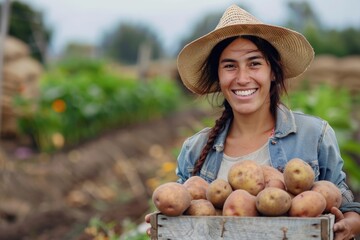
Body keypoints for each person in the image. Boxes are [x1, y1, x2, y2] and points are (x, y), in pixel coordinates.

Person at [145, 4, 360, 239]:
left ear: (273, 72)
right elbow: (184, 210)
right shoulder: (195, 149)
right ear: (219, 76)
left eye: (254, 63)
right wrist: (166, 223)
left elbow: (348, 209)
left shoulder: (314, 135)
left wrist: (348, 226)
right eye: (229, 66)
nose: (242, 78)